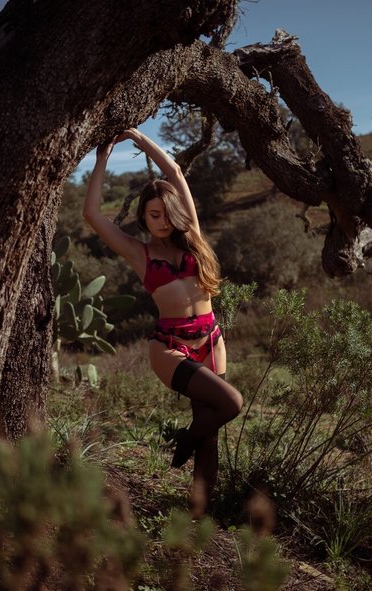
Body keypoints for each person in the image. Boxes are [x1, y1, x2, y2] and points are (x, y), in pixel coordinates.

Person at [83, 128, 243, 505]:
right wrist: (103, 157)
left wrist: (139, 139)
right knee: (231, 403)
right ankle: (183, 440)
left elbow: (174, 172)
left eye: (167, 214)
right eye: (154, 214)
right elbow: (91, 214)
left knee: (210, 434)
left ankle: (199, 512)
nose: (162, 220)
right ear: (143, 215)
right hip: (170, 347)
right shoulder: (138, 253)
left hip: (211, 340)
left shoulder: (194, 239)